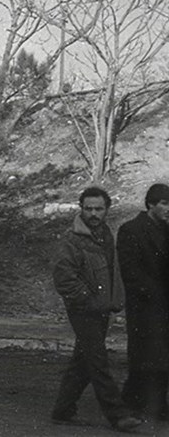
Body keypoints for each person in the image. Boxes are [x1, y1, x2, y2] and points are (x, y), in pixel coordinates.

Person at [50, 186, 142, 432]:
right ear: (81, 209)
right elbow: (64, 278)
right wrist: (87, 300)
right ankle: (118, 414)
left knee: (84, 359)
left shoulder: (105, 234)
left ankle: (62, 409)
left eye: (98, 209)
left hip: (101, 308)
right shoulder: (71, 240)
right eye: (88, 208)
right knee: (98, 360)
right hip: (83, 309)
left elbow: (113, 271)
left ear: (106, 210)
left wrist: (111, 300)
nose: (93, 213)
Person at [118, 183, 169, 421]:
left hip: (164, 305)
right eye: (165, 203)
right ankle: (136, 400)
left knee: (162, 355)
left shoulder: (166, 230)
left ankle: (155, 402)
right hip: (144, 305)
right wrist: (155, 293)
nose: (168, 209)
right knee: (143, 353)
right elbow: (130, 271)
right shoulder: (131, 230)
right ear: (151, 204)